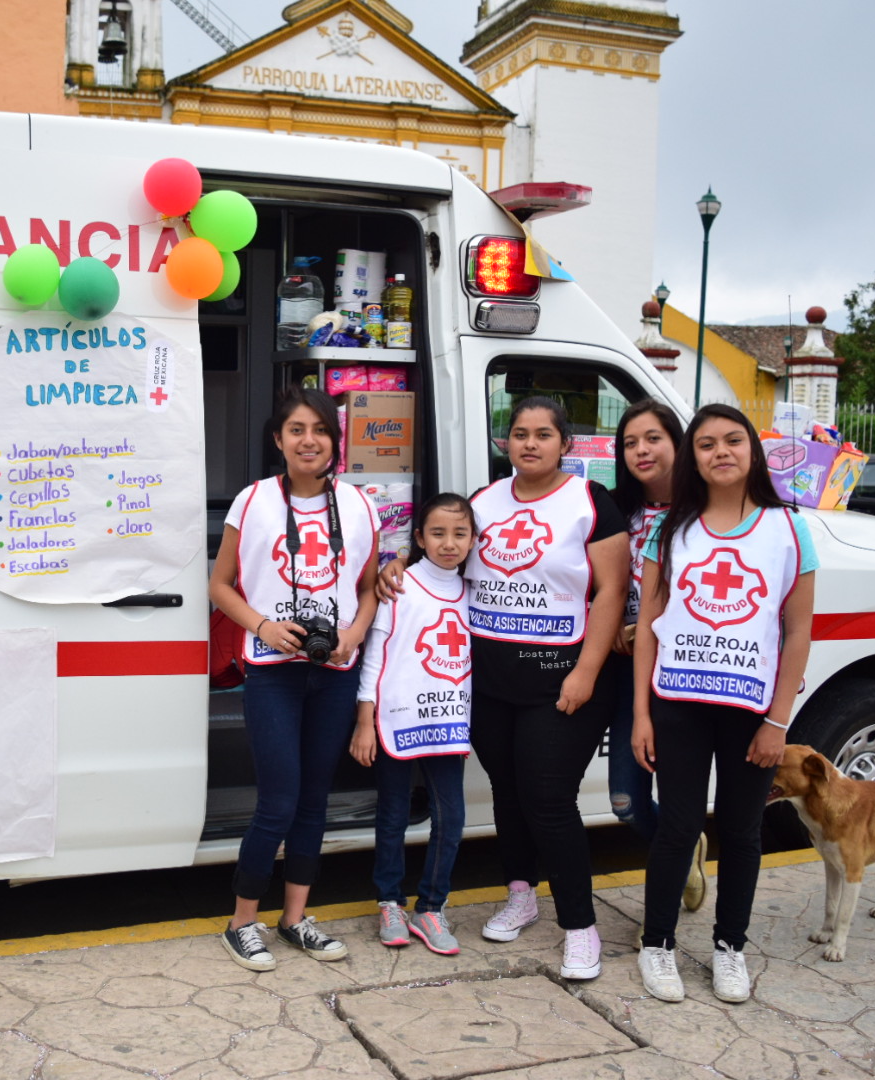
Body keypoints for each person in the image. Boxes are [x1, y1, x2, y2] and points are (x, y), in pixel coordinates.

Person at [380, 395, 629, 981]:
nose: (530, 443)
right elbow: (443, 555)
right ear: (505, 443)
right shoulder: (486, 502)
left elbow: (612, 593)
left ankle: (580, 928)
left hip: (560, 681)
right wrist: (393, 564)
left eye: (544, 433)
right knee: (508, 791)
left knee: (548, 800)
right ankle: (521, 893)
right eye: (519, 433)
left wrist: (586, 671)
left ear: (566, 443)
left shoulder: (590, 503)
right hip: (490, 684)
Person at [632, 404, 817, 1005]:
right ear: (694, 458)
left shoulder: (788, 530)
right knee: (679, 827)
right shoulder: (671, 530)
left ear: (753, 452)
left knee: (741, 831)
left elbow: (797, 632)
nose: (720, 452)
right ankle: (656, 944)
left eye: (733, 440)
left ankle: (728, 947)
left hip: (750, 713)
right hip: (678, 704)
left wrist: (777, 723)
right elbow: (650, 627)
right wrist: (641, 713)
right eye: (706, 444)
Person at [208, 388, 380, 972]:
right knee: (278, 801)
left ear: (336, 441)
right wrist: (263, 624)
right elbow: (220, 584)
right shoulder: (252, 501)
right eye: (297, 430)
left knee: (313, 801)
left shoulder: (360, 503)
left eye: (321, 430)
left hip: (334, 672)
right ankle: (241, 923)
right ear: (277, 440)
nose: (310, 440)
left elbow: (367, 586)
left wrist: (356, 631)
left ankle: (294, 917)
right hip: (273, 673)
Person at [350, 493, 476, 956]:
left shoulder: (471, 590)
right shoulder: (399, 587)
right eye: (438, 533)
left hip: (447, 721)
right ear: (419, 538)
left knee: (452, 818)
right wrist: (365, 720)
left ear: (473, 540)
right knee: (393, 814)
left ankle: (432, 905)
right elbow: (375, 654)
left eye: (459, 534)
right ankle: (389, 901)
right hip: (395, 718)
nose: (448, 543)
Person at [606, 402, 708, 910]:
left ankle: (667, 891)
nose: (641, 451)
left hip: (686, 672)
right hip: (626, 669)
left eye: (653, 439)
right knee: (625, 801)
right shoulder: (614, 510)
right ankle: (685, 847)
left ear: (677, 443)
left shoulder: (707, 512)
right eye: (629, 443)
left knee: (681, 791)